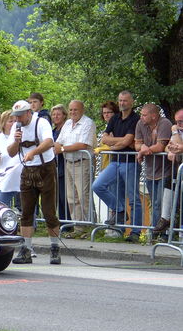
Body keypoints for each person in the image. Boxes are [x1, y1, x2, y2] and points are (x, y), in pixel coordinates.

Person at [7, 100, 61, 265]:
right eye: (15, 116)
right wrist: (16, 141)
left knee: (49, 212)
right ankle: (26, 250)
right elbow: (10, 152)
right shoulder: (16, 128)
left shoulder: (41, 122)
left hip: (45, 169)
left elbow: (49, 142)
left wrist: (33, 153)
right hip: (27, 171)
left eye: (20, 116)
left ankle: (55, 248)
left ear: (29, 112)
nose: (18, 119)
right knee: (26, 212)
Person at [92, 90, 142, 242]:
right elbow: (105, 138)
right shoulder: (115, 118)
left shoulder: (136, 119)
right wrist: (120, 143)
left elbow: (128, 141)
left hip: (131, 163)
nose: (122, 103)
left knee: (134, 199)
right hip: (115, 161)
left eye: (125, 101)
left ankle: (135, 232)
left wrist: (116, 143)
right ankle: (120, 211)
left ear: (131, 102)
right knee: (98, 185)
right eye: (120, 100)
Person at [54, 101, 96, 237]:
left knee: (83, 196)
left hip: (82, 162)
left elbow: (83, 144)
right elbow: (59, 141)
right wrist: (56, 147)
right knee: (71, 197)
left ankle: (86, 227)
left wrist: (61, 149)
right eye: (70, 110)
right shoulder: (67, 124)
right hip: (68, 163)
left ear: (82, 110)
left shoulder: (87, 123)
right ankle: (77, 227)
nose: (72, 112)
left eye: (75, 110)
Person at [134, 104, 172, 232]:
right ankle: (155, 232)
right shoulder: (140, 123)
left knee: (160, 203)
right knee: (154, 203)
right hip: (150, 171)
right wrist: (143, 148)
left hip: (165, 171)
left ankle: (161, 233)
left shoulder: (165, 123)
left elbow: (160, 146)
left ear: (154, 116)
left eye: (144, 115)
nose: (141, 117)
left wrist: (142, 151)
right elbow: (137, 144)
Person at [0, 110, 21, 207]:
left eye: (16, 121)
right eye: (10, 121)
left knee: (26, 211)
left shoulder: (23, 136)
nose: (14, 124)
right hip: (4, 179)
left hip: (21, 178)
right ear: (4, 123)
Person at [50, 104, 69, 224]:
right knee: (56, 196)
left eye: (58, 114)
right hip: (53, 165)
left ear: (64, 115)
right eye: (53, 114)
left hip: (64, 164)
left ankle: (67, 222)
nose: (56, 116)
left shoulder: (66, 129)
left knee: (64, 196)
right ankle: (61, 222)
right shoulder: (52, 130)